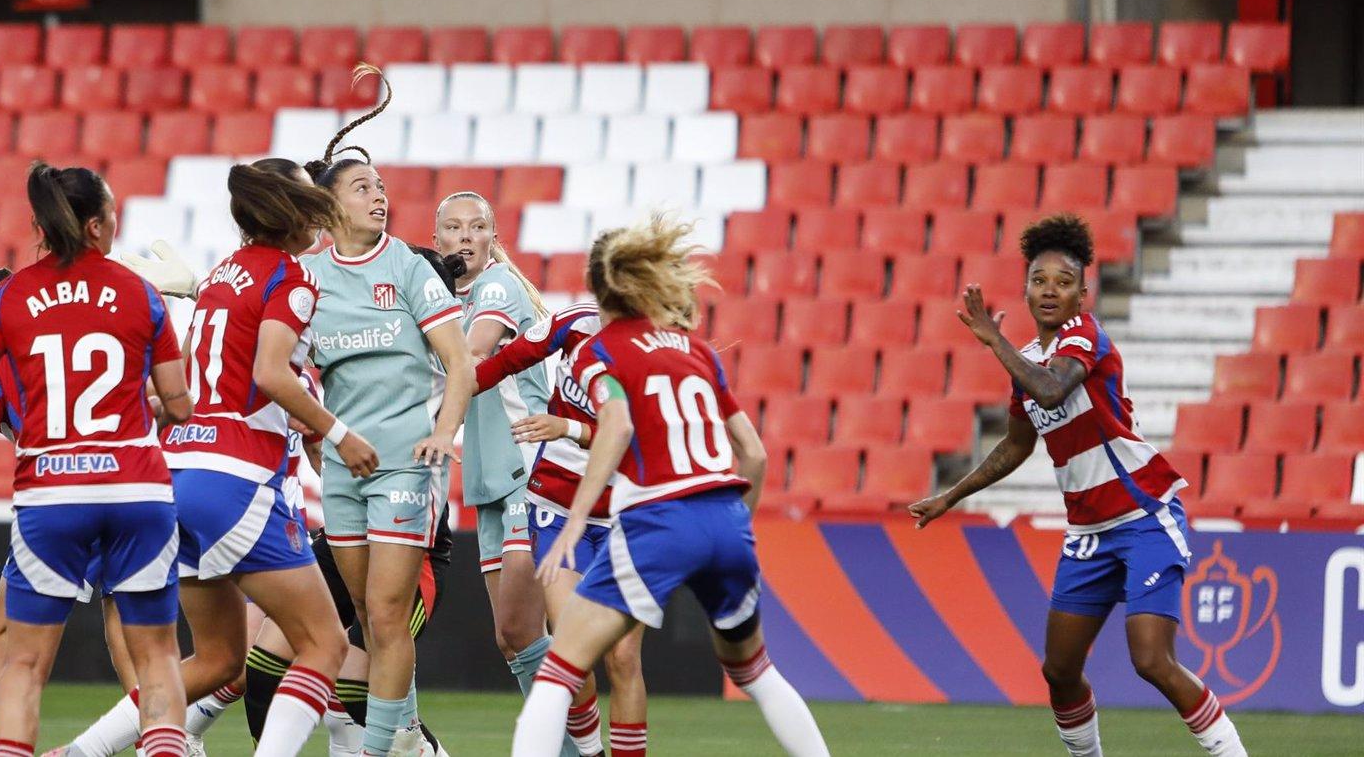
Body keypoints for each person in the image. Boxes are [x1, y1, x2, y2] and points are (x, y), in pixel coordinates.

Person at [908, 213, 1247, 757]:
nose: (1050, 290)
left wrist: (993, 340)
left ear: (1082, 294)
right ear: (1025, 289)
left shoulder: (1083, 337)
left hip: (1144, 519)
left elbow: (1050, 392)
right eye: (1039, 280)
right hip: (1089, 534)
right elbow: (1017, 444)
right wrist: (951, 495)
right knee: (1060, 670)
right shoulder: (1029, 361)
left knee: (1151, 661)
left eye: (1064, 282)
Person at [48, 159, 355, 757]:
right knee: (325, 643)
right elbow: (270, 374)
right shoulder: (292, 278)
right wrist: (339, 433)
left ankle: (79, 752)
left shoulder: (220, 277)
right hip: (236, 481)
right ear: (293, 212)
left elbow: (178, 389)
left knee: (217, 660)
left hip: (178, 474)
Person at [511, 214, 829, 757]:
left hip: (660, 520)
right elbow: (753, 452)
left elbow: (617, 424)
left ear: (597, 289)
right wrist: (733, 526)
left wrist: (580, 517)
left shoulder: (599, 349)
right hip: (726, 519)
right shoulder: (697, 350)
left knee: (559, 672)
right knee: (755, 671)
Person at [0, 161, 194, 757]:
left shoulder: (11, 294)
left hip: (52, 491)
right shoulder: (140, 292)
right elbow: (178, 404)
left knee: (23, 663)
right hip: (136, 488)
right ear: (99, 226)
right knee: (156, 657)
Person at [300, 64, 475, 757]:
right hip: (342, 469)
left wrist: (441, 432)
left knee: (385, 610)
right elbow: (285, 367)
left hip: (404, 462)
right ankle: (408, 740)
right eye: (363, 188)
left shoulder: (406, 266)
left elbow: (460, 363)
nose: (379, 197)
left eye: (381, 188)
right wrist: (314, 431)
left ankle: (377, 751)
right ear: (329, 207)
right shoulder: (307, 278)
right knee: (368, 629)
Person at [0, 268, 138, 757]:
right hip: (129, 487)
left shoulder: (3, 361)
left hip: (57, 499)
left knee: (4, 635)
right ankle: (164, 737)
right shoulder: (80, 333)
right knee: (133, 635)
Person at [472, 297, 648, 757]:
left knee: (624, 657)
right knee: (574, 649)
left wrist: (566, 428)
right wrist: (436, 403)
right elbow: (499, 365)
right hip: (555, 507)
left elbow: (638, 434)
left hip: (625, 516)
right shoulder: (573, 322)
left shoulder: (655, 349)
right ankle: (590, 754)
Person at [430, 192, 567, 722]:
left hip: (529, 472)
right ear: (437, 237)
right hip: (490, 481)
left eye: (477, 227)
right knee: (513, 640)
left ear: (492, 238)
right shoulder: (443, 299)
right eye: (454, 228)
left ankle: (576, 748)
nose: (465, 236)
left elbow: (476, 352)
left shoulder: (496, 286)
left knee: (522, 630)